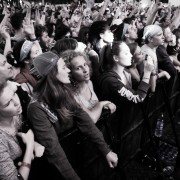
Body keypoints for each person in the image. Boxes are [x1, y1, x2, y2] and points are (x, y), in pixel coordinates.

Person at [27, 51, 118, 180]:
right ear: (52, 75)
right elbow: (54, 151)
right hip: (56, 169)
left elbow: (85, 121)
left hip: (74, 154)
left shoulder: (65, 91)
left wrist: (106, 150)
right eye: (64, 67)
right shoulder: (36, 108)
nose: (69, 70)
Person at [65, 50, 116, 123]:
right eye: (78, 68)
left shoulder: (89, 83)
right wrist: (101, 104)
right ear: (70, 73)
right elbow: (92, 119)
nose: (85, 70)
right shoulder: (71, 94)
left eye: (85, 64)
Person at [0, 81, 34, 180]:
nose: (16, 102)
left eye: (14, 94)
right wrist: (30, 145)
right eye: (7, 104)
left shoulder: (17, 113)